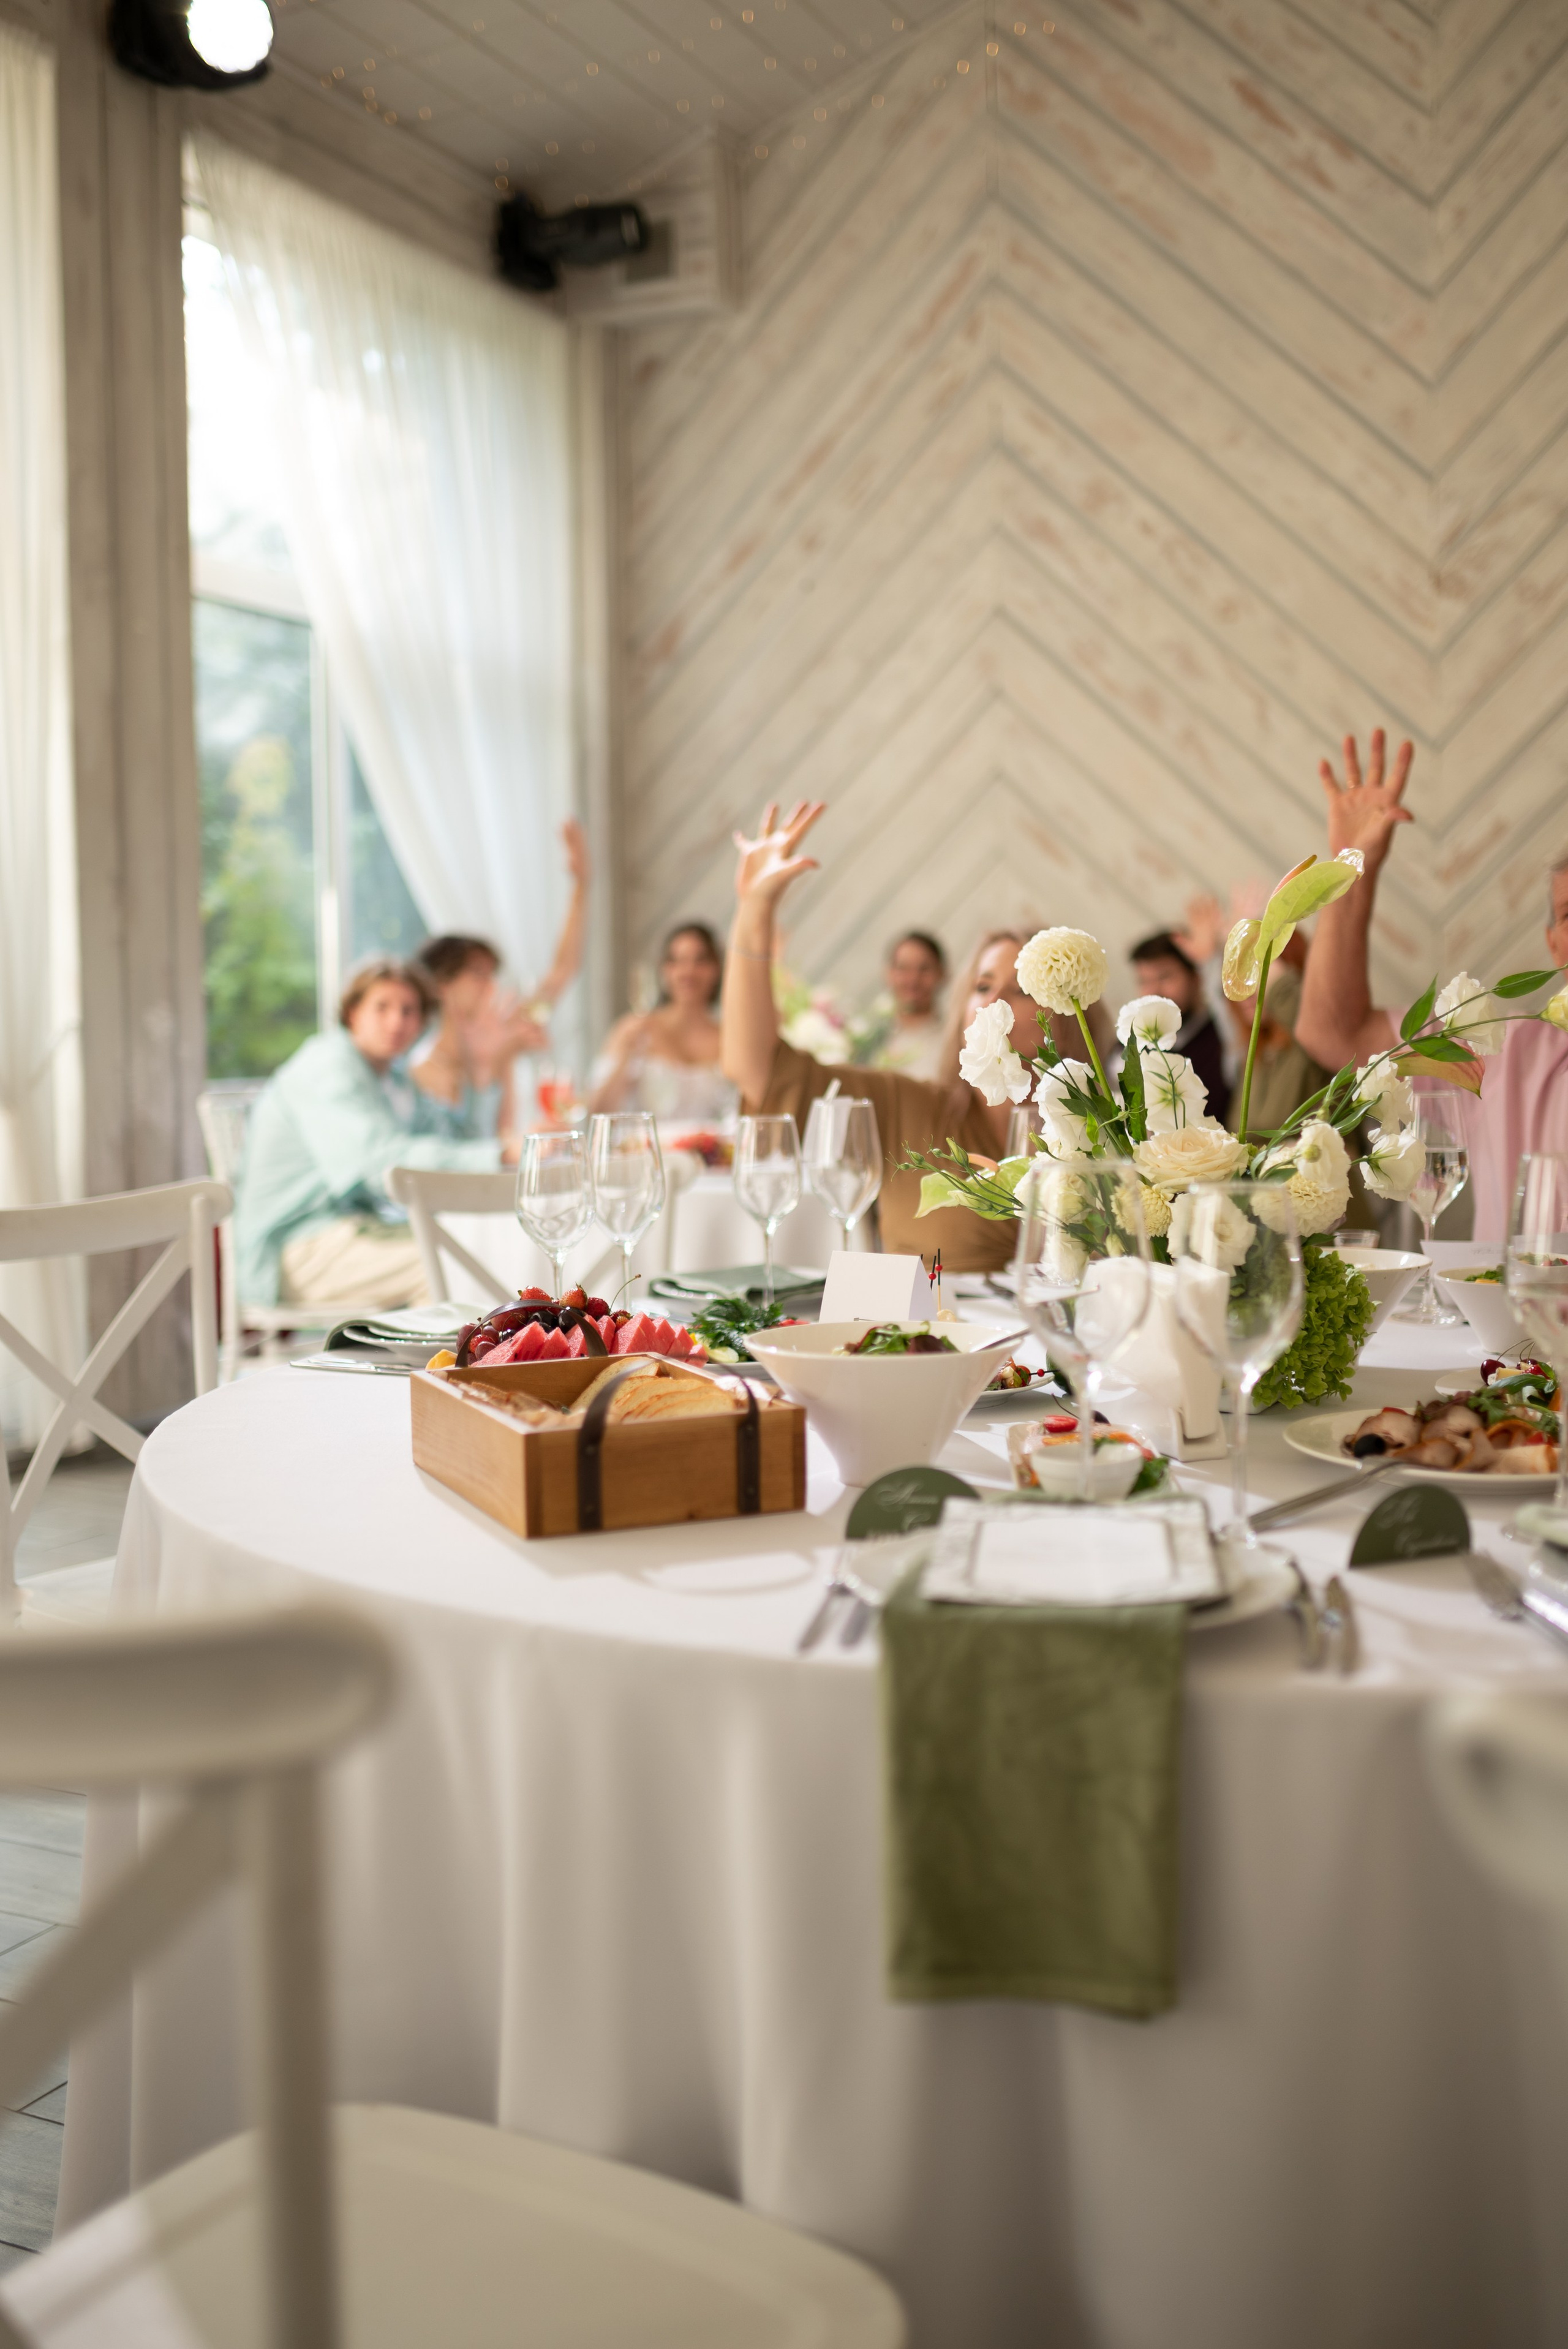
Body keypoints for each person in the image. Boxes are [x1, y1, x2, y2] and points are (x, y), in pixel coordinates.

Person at [721, 804, 1070, 1272]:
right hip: (932, 1321)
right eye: (983, 985)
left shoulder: (1107, 1129)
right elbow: (758, 1070)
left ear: (1069, 1012)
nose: (995, 1000)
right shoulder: (907, 1107)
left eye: (1022, 989)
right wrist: (754, 912)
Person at [1295, 729, 1568, 1245]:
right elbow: (1333, 1033)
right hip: (1514, 1303)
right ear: (1554, 945)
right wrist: (1352, 863)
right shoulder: (1503, 1053)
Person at [235, 959, 513, 1312]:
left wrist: (483, 1065)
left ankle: (455, 1349)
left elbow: (459, 1139)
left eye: (409, 1011)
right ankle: (444, 1352)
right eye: (382, 1007)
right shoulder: (328, 1065)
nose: (396, 1022)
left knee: (471, 1249)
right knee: (449, 1262)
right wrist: (500, 1154)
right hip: (292, 1249)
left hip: (354, 1232)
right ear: (353, 1013)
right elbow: (378, 1162)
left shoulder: (392, 1080)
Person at [412, 818, 590, 1134]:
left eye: (492, 974)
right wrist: (500, 1058)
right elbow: (474, 1146)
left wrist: (581, 886)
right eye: (477, 974)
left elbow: (563, 970)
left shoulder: (503, 1027)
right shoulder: (425, 1070)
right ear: (440, 985)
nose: (491, 985)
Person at [587, 921, 737, 1124]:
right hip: (644, 1144)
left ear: (716, 969)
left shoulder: (730, 1038)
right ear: (664, 970)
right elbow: (596, 1113)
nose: (688, 971)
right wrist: (625, 1059)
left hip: (713, 1145)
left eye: (700, 960)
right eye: (677, 961)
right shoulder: (633, 1029)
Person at [1127, 929, 1231, 1127]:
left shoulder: (1223, 1035)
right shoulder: (1134, 1042)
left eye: (1165, 977)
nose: (1153, 991)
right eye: (1144, 981)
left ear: (1196, 978)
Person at [850, 932, 949, 1079]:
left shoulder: (955, 1040)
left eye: (924, 969)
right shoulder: (867, 1040)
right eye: (903, 968)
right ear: (889, 974)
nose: (913, 980)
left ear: (942, 974)